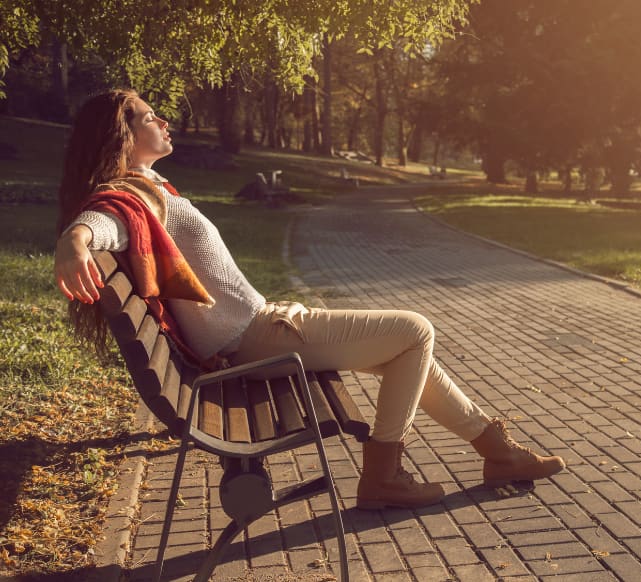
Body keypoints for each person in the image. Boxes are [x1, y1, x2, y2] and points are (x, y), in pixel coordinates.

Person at [54, 89, 565, 510]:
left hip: (261, 327)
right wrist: (74, 242)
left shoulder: (151, 185)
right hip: (254, 341)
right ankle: (384, 479)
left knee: (407, 350)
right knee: (415, 332)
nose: (163, 119)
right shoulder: (134, 195)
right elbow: (104, 221)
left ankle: (496, 451)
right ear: (124, 135)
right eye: (149, 116)